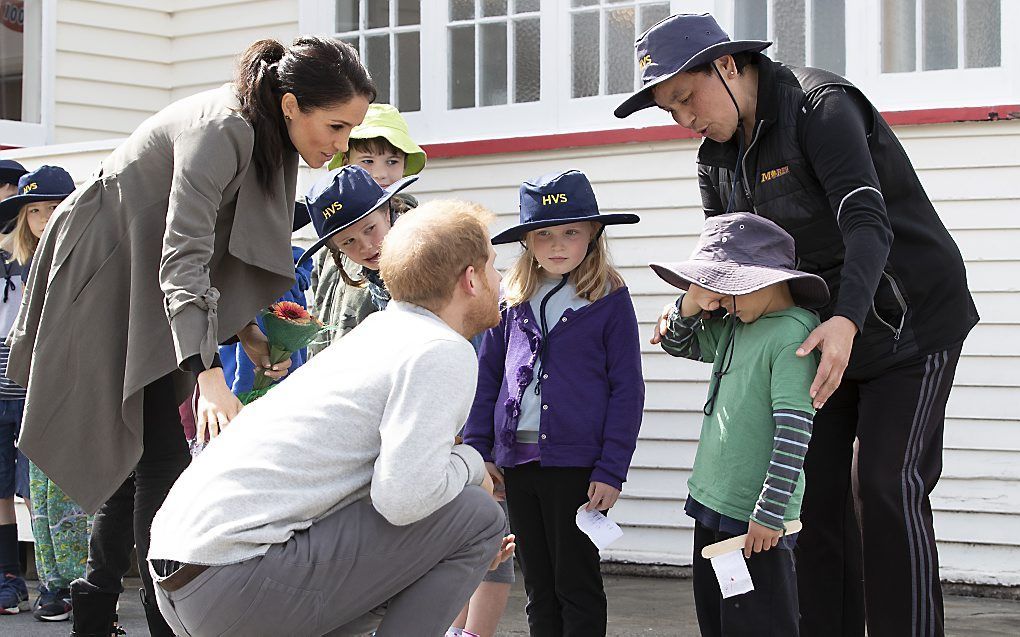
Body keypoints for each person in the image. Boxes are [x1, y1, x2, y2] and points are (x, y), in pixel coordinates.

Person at [617, 13, 978, 637]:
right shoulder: (717, 160)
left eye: (685, 98)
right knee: (815, 502)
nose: (683, 119)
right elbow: (733, 264)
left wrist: (845, 320)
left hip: (909, 323)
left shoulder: (821, 107)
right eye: (668, 110)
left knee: (886, 488)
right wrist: (689, 313)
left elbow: (868, 224)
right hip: (814, 334)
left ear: (728, 65)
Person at [6, 37, 375, 636]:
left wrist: (249, 333)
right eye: (335, 127)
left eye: (350, 133)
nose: (340, 148)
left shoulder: (269, 134)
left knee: (144, 454)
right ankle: (166, 621)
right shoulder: (224, 128)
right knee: (161, 461)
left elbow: (217, 253)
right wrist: (206, 373)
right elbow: (183, 258)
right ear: (290, 104)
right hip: (109, 265)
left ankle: (96, 612)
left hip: (147, 273)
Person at [148, 199, 514, 637]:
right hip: (233, 578)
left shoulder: (381, 334)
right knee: (476, 514)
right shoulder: (438, 349)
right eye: (493, 264)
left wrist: (446, 550)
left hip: (184, 574)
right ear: (470, 279)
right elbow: (405, 500)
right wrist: (476, 467)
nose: (500, 278)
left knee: (452, 521)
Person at [463, 170, 645, 637]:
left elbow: (628, 389)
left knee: (576, 582)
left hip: (577, 467)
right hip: (517, 465)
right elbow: (489, 377)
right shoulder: (510, 298)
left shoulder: (609, 299)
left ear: (594, 233)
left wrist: (611, 469)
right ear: (527, 240)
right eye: (543, 233)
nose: (557, 244)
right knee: (539, 585)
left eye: (570, 231)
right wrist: (482, 451)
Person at [650, 212, 828, 635]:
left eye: (730, 291)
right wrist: (691, 301)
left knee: (759, 623)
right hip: (712, 499)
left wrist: (768, 513)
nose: (722, 302)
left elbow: (794, 431)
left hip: (756, 519)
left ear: (768, 280)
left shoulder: (792, 337)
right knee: (716, 617)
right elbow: (676, 343)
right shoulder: (736, 324)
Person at [0, 166, 92, 623]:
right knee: (38, 489)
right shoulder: (17, 265)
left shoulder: (85, 258)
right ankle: (52, 583)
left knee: (70, 491)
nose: (43, 218)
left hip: (74, 389)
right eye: (34, 210)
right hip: (28, 390)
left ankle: (85, 582)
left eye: (54, 208)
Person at [308, 103, 426, 354]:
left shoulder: (418, 234)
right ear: (344, 161)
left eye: (392, 161)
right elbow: (318, 312)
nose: (380, 174)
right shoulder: (326, 245)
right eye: (367, 161)